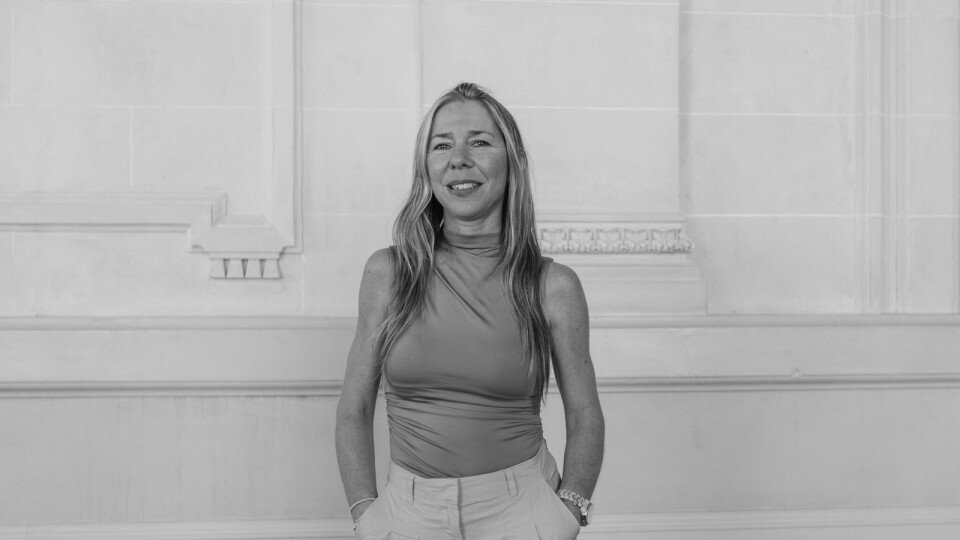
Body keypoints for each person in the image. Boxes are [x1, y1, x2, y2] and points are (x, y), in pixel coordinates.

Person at [335, 82, 605, 539]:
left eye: (479, 142)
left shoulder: (553, 286)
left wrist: (568, 513)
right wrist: (366, 515)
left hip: (523, 511)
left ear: (511, 160)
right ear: (426, 166)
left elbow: (585, 415)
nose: (458, 159)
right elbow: (353, 407)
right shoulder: (388, 273)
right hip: (407, 516)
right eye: (442, 145)